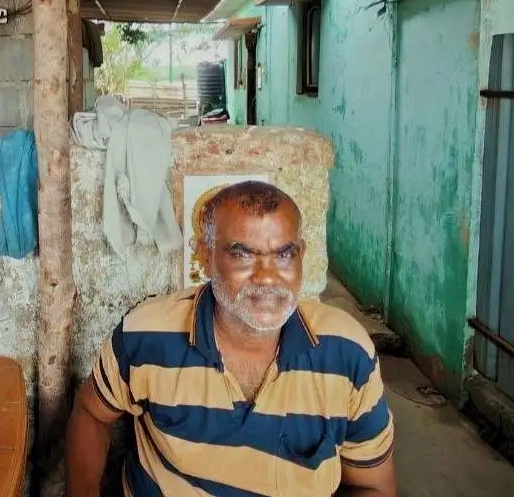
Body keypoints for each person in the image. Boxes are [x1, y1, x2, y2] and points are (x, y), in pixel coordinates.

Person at [66, 181, 397, 497]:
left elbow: (373, 485)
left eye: (283, 255)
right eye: (243, 255)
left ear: (301, 256)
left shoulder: (347, 352)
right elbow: (92, 412)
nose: (267, 277)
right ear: (206, 257)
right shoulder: (147, 335)